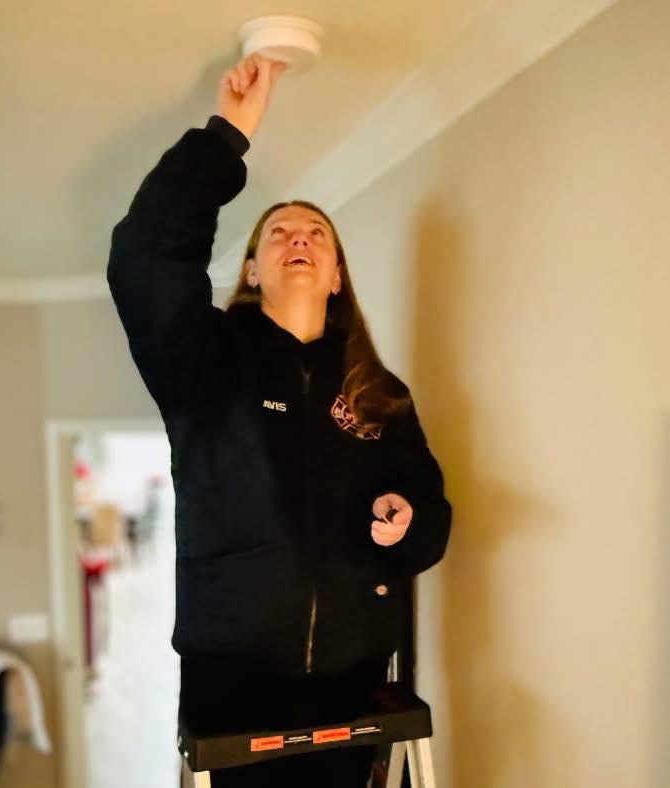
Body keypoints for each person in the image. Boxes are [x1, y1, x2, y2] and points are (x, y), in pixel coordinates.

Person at [107, 52, 453, 787]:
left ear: (336, 276)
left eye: (317, 234)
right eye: (279, 233)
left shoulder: (379, 393)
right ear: (252, 270)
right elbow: (144, 257)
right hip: (236, 685)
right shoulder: (203, 362)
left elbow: (430, 522)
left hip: (357, 680)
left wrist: (408, 521)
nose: (300, 238)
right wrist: (227, 135)